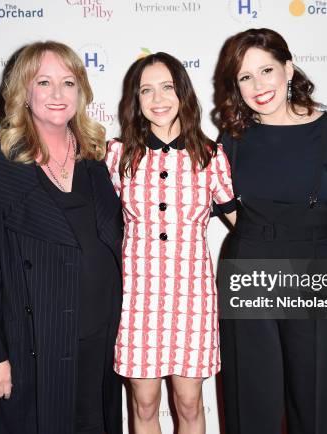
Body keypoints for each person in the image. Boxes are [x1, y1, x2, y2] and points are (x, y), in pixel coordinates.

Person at [211, 28, 327, 434]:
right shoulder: (233, 138)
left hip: (318, 279)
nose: (258, 86)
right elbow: (227, 207)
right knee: (248, 413)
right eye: (245, 77)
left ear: (288, 69)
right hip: (249, 277)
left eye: (266, 70)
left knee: (317, 414)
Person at [0, 41, 123, 434]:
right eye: (44, 82)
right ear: (23, 93)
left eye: (68, 82)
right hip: (32, 348)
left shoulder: (97, 160)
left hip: (101, 345)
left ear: (80, 92)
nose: (57, 94)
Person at [105, 52, 236, 434]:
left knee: (189, 402)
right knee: (144, 404)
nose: (157, 98)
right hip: (137, 298)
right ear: (136, 99)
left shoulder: (210, 155)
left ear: (182, 92)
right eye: (147, 90)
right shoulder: (118, 156)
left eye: (166, 87)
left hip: (192, 297)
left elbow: (239, 222)